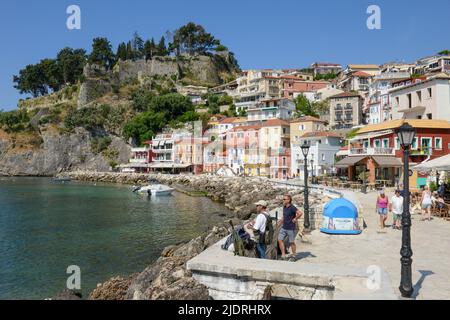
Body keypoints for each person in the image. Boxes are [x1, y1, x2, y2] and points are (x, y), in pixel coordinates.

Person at [277, 194, 303, 259]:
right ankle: (283, 255)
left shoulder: (292, 207)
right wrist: (280, 221)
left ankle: (294, 255)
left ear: (288, 200)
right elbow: (284, 216)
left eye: (284, 199)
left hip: (290, 228)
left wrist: (295, 218)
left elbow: (300, 213)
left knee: (291, 242)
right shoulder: (284, 207)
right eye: (283, 199)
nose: (283, 200)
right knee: (280, 240)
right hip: (284, 227)